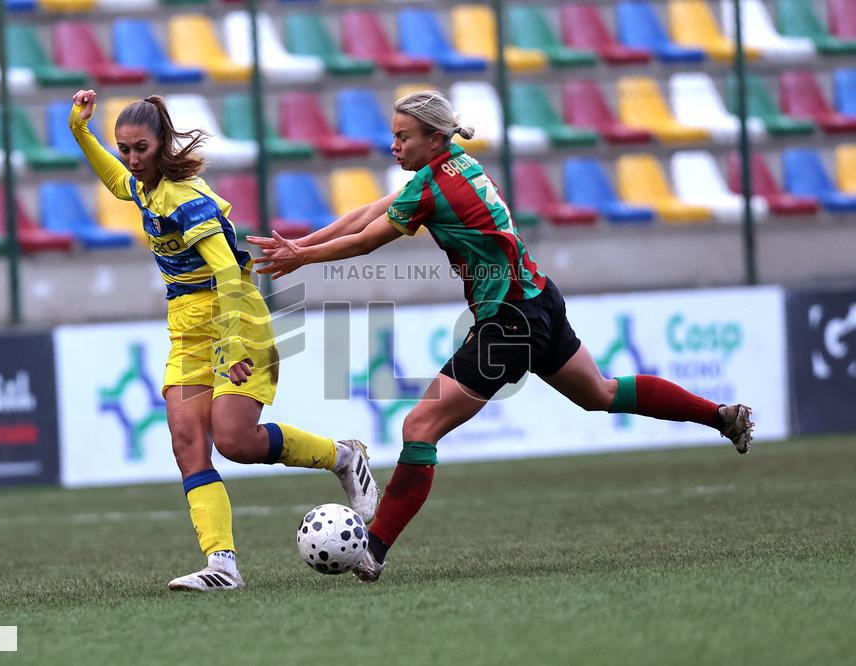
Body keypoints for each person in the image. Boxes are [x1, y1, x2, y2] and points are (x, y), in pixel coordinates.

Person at [247, 90, 755, 584]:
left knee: (420, 426)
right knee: (599, 392)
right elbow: (365, 214)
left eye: (403, 137)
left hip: (509, 322)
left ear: (433, 137)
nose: (394, 146)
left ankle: (373, 549)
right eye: (393, 136)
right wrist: (299, 245)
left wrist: (303, 258)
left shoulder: (431, 187)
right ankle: (721, 416)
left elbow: (366, 240)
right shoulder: (457, 165)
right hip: (540, 301)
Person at [68, 89, 378, 592]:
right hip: (187, 327)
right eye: (124, 147)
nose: (130, 158)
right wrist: (81, 129)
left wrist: (233, 346)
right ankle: (223, 565)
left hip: (234, 318)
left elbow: (231, 276)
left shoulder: (185, 200)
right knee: (187, 442)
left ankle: (343, 456)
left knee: (234, 441)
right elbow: (117, 182)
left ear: (162, 144)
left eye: (139, 148)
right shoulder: (145, 186)